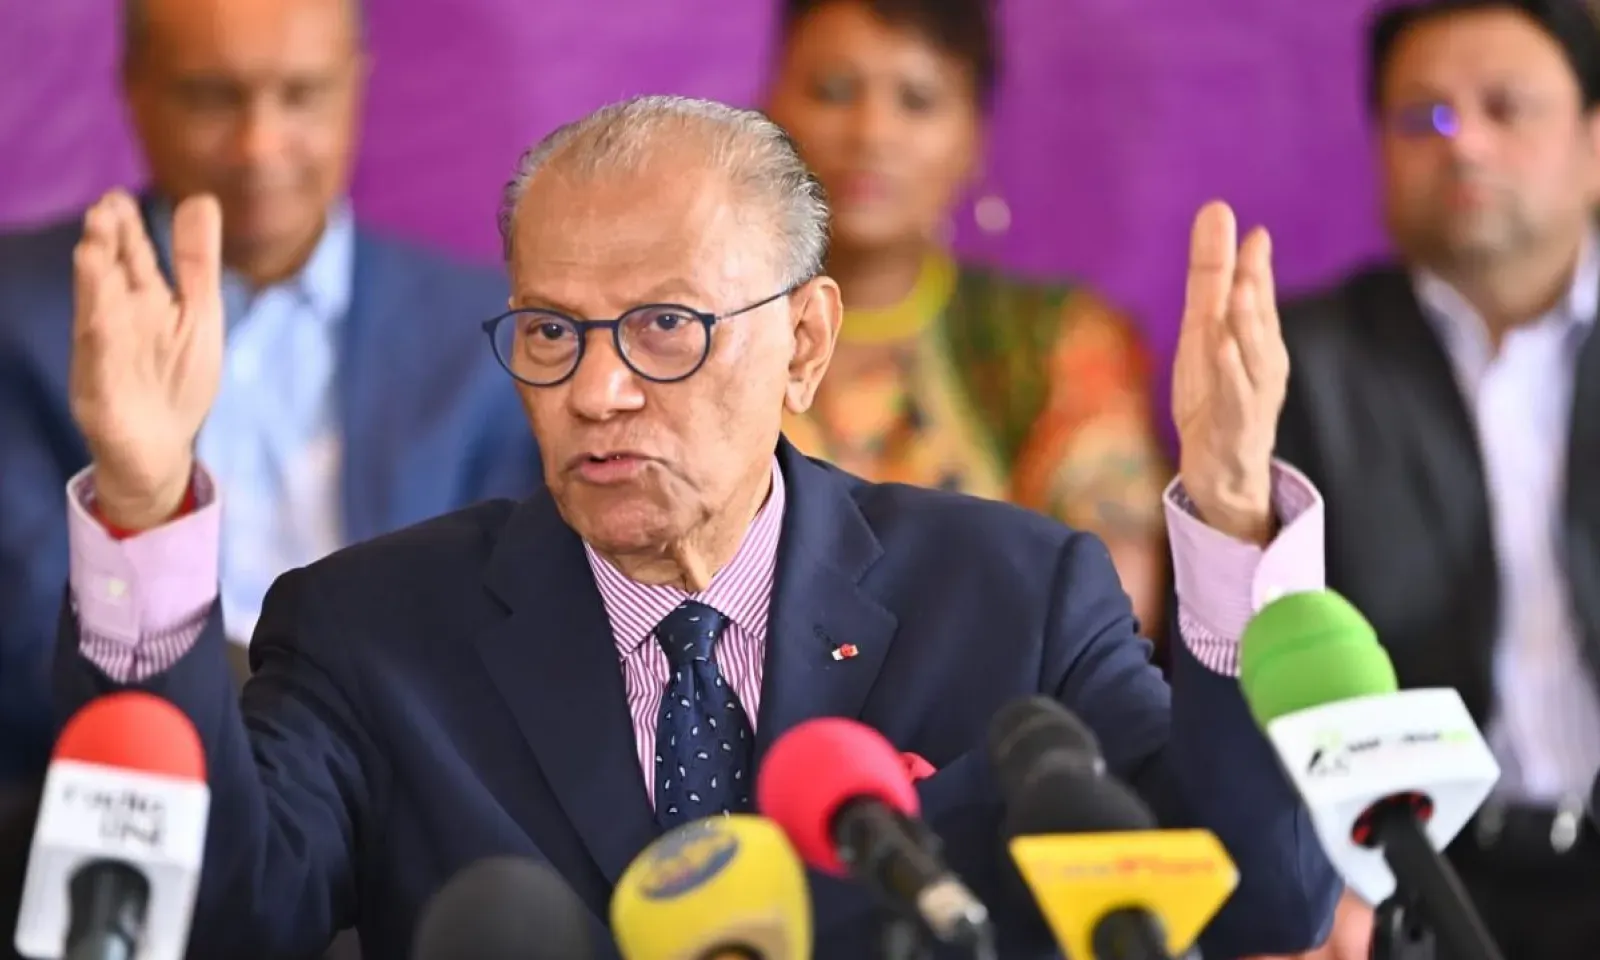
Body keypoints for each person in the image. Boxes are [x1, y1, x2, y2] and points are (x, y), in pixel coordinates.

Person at [54, 95, 1339, 958]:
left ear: (805, 342)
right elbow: (215, 917)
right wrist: (144, 507)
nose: (598, 391)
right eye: (551, 332)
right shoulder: (372, 635)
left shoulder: (1012, 597)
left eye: (665, 326)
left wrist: (1231, 515)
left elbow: (1258, 896)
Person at [0, 0, 541, 781]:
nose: (259, 145)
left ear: (355, 85)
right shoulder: (21, 318)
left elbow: (513, 634)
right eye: (212, 97)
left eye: (302, 94)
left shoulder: (488, 337)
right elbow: (25, 643)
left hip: (403, 797)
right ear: (135, 89)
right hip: (118, 785)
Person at [1273, 1, 1600, 957]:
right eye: (1424, 117)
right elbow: (1265, 639)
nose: (1464, 145)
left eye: (1507, 108)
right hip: (1409, 875)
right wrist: (1313, 868)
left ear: (1593, 142)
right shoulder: (1306, 363)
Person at [765, 0, 1171, 635]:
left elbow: (1110, 604)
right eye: (834, 91)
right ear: (769, 112)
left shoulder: (1052, 341)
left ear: (974, 138)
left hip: (1000, 696)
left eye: (917, 101)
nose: (872, 132)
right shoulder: (706, 335)